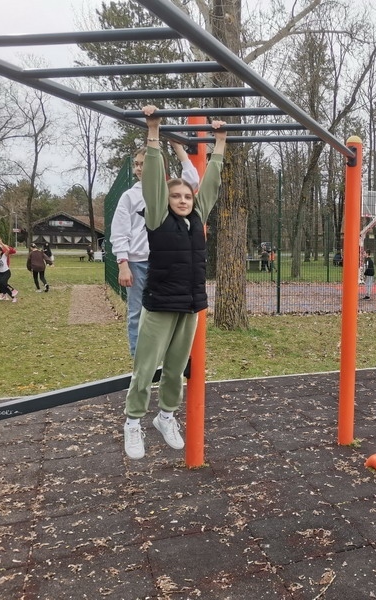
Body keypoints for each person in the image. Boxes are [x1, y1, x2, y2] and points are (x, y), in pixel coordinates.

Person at [122, 105, 226, 461]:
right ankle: (133, 421)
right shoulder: (156, 218)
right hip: (161, 303)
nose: (183, 200)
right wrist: (153, 132)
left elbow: (210, 184)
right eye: (176, 196)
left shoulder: (197, 218)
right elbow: (153, 180)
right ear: (165, 201)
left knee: (177, 368)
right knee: (145, 368)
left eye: (187, 196)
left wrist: (220, 143)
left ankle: (165, 416)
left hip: (191, 304)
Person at [110, 138, 199, 356]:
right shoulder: (130, 196)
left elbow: (193, 182)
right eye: (136, 164)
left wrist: (178, 147)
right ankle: (139, 358)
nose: (139, 168)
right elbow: (119, 232)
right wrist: (123, 264)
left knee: (167, 309)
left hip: (166, 262)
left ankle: (164, 355)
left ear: (159, 166)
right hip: (139, 262)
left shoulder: (169, 191)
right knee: (137, 311)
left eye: (144, 163)